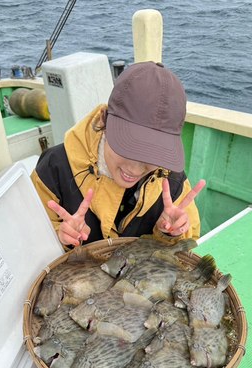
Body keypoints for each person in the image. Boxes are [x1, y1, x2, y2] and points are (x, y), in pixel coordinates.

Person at [31, 61, 205, 249]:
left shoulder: (174, 182)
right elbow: (29, 238)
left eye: (152, 156)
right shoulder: (54, 169)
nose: (135, 169)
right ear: (104, 121)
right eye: (127, 147)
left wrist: (171, 234)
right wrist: (61, 237)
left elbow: (188, 244)